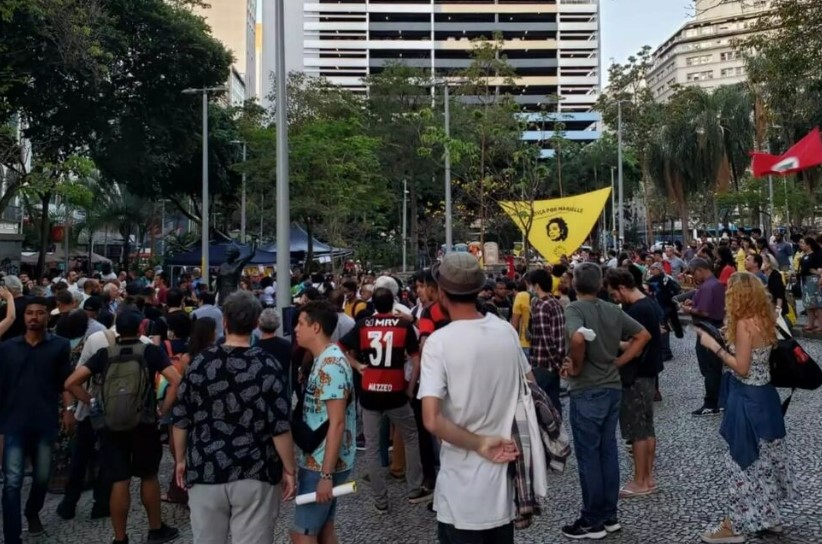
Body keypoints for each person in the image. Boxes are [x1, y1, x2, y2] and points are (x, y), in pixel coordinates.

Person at [172, 291, 296, 544]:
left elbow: (181, 416)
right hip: (255, 469)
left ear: (225, 322)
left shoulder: (199, 363)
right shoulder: (267, 365)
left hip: (206, 467)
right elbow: (279, 425)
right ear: (254, 324)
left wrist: (181, 459)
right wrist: (289, 468)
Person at [418, 252, 525, 544]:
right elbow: (528, 385)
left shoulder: (439, 343)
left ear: (441, 292)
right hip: (501, 485)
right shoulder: (505, 332)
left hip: (460, 490)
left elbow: (431, 418)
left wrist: (479, 443)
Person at [64, 306, 181, 544]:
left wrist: (92, 401)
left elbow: (71, 382)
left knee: (119, 480)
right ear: (140, 328)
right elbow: (175, 380)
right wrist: (163, 409)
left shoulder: (105, 354)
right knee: (148, 476)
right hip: (144, 422)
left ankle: (120, 537)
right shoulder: (150, 351)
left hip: (111, 424)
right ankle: (156, 529)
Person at [694, 273, 793, 543]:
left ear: (736, 296)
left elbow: (742, 367)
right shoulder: (767, 318)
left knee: (742, 464)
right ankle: (770, 518)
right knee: (766, 461)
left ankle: (733, 526)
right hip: (767, 398)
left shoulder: (744, 324)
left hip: (747, 399)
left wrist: (714, 346)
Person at [560, 263, 650, 539]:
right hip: (612, 387)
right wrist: (621, 360)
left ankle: (592, 520)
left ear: (575, 284)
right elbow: (643, 335)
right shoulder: (612, 309)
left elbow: (577, 338)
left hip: (587, 389)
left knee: (589, 457)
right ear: (600, 284)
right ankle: (610, 515)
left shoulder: (574, 309)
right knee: (608, 451)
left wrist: (575, 367)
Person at [340, 287, 430, 513]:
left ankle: (380, 500)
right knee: (410, 437)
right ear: (392, 303)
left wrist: (358, 366)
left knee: (372, 447)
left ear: (373, 304)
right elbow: (416, 359)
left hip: (369, 392)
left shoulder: (363, 325)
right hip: (396, 392)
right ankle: (414, 489)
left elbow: (340, 347)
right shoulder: (403, 326)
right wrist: (410, 388)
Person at [0, 297, 72, 543]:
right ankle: (12, 536)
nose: (33, 317)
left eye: (39, 313)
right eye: (29, 313)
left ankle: (32, 511)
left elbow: (65, 381)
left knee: (42, 477)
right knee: (12, 482)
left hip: (45, 420)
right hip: (14, 422)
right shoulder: (7, 348)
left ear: (47, 316)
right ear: (23, 317)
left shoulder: (59, 346)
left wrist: (69, 409)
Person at [291, 300, 357, 544]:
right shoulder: (324, 358)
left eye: (300, 323)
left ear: (316, 327)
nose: (296, 329)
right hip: (322, 457)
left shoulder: (331, 365)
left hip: (321, 462)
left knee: (303, 533)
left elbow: (337, 421)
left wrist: (326, 476)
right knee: (324, 528)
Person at [605, 268, 662, 498]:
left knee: (637, 431)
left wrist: (616, 357)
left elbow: (634, 346)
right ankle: (647, 477)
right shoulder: (647, 304)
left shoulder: (637, 309)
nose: (613, 299)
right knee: (647, 428)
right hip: (648, 374)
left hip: (635, 375)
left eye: (613, 294)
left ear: (621, 287)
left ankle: (640, 480)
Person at [682, 258, 727, 416]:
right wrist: (693, 304)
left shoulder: (708, 286)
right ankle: (720, 400)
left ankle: (711, 402)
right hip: (714, 327)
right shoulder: (715, 284)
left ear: (700, 270)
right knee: (714, 367)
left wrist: (688, 310)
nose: (694, 277)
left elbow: (705, 312)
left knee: (709, 368)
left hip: (707, 329)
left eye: (694, 273)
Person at [527, 268, 565, 414]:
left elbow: (546, 339)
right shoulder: (555, 303)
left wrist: (557, 364)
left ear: (537, 285)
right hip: (554, 363)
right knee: (554, 403)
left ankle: (549, 434)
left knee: (543, 407)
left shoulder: (542, 307)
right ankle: (558, 433)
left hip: (544, 363)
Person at [798, 236, 822, 332]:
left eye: (803, 243)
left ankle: (820, 324)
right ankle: (810, 323)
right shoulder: (804, 256)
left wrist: (816, 273)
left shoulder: (816, 255)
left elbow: (819, 270)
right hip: (805, 280)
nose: (800, 245)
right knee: (808, 304)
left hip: (813, 280)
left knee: (816, 303)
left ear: (809, 245)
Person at [0, 275, 28, 340]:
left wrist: (9, 297)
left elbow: (11, 317)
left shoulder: (5, 308)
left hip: (9, 344)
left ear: (5, 289)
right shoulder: (34, 302)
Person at [762, 253, 788, 319]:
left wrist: (778, 309)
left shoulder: (775, 275)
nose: (762, 263)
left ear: (769, 263)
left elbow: (779, 293)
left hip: (776, 305)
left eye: (763, 261)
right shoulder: (764, 275)